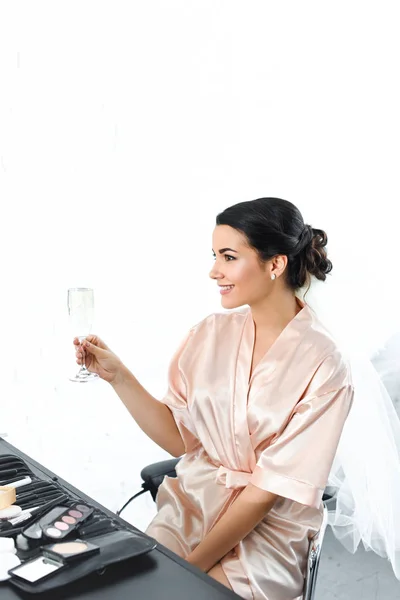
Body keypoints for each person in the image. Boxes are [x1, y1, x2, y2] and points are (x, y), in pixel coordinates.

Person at [74, 198, 354, 600]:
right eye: (214, 256)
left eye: (228, 257)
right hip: (192, 505)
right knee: (133, 589)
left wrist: (189, 570)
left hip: (271, 532)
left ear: (275, 264)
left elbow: (264, 493)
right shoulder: (208, 334)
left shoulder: (325, 365)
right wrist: (118, 376)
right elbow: (180, 440)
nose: (213, 271)